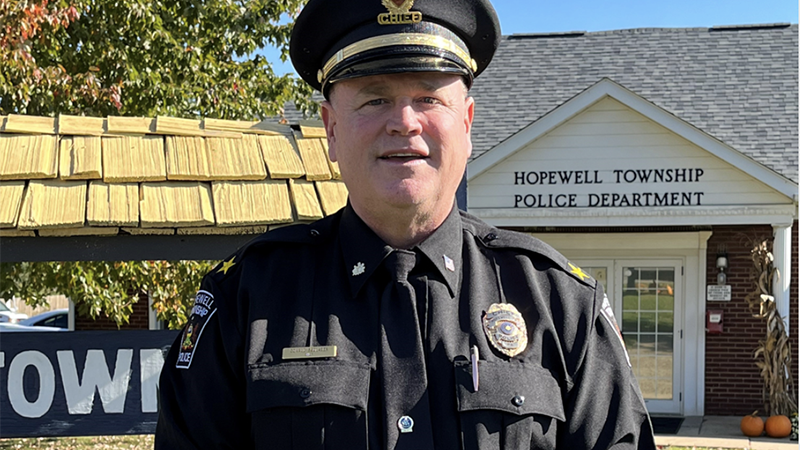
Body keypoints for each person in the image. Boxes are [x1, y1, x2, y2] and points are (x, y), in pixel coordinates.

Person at [155, 0, 657, 448]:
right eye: (374, 99)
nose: (404, 121)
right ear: (330, 129)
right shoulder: (246, 299)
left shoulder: (559, 304)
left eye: (428, 97)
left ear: (467, 123)